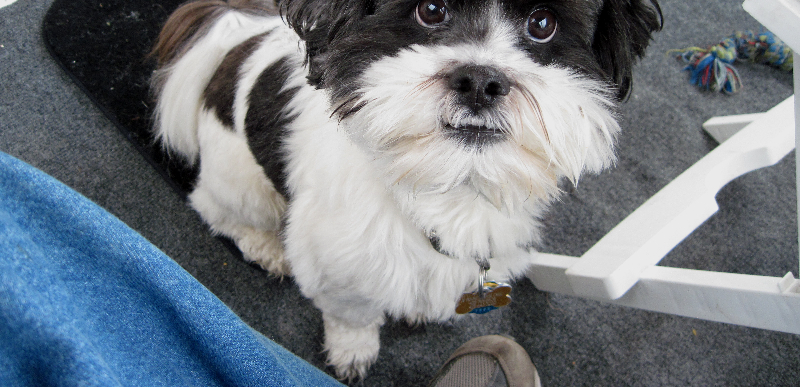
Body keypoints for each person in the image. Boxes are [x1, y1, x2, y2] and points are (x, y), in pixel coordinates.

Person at [0, 151, 540, 386]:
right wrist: (352, 324)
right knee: (332, 278)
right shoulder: (352, 236)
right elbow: (328, 279)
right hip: (260, 171)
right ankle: (236, 224)